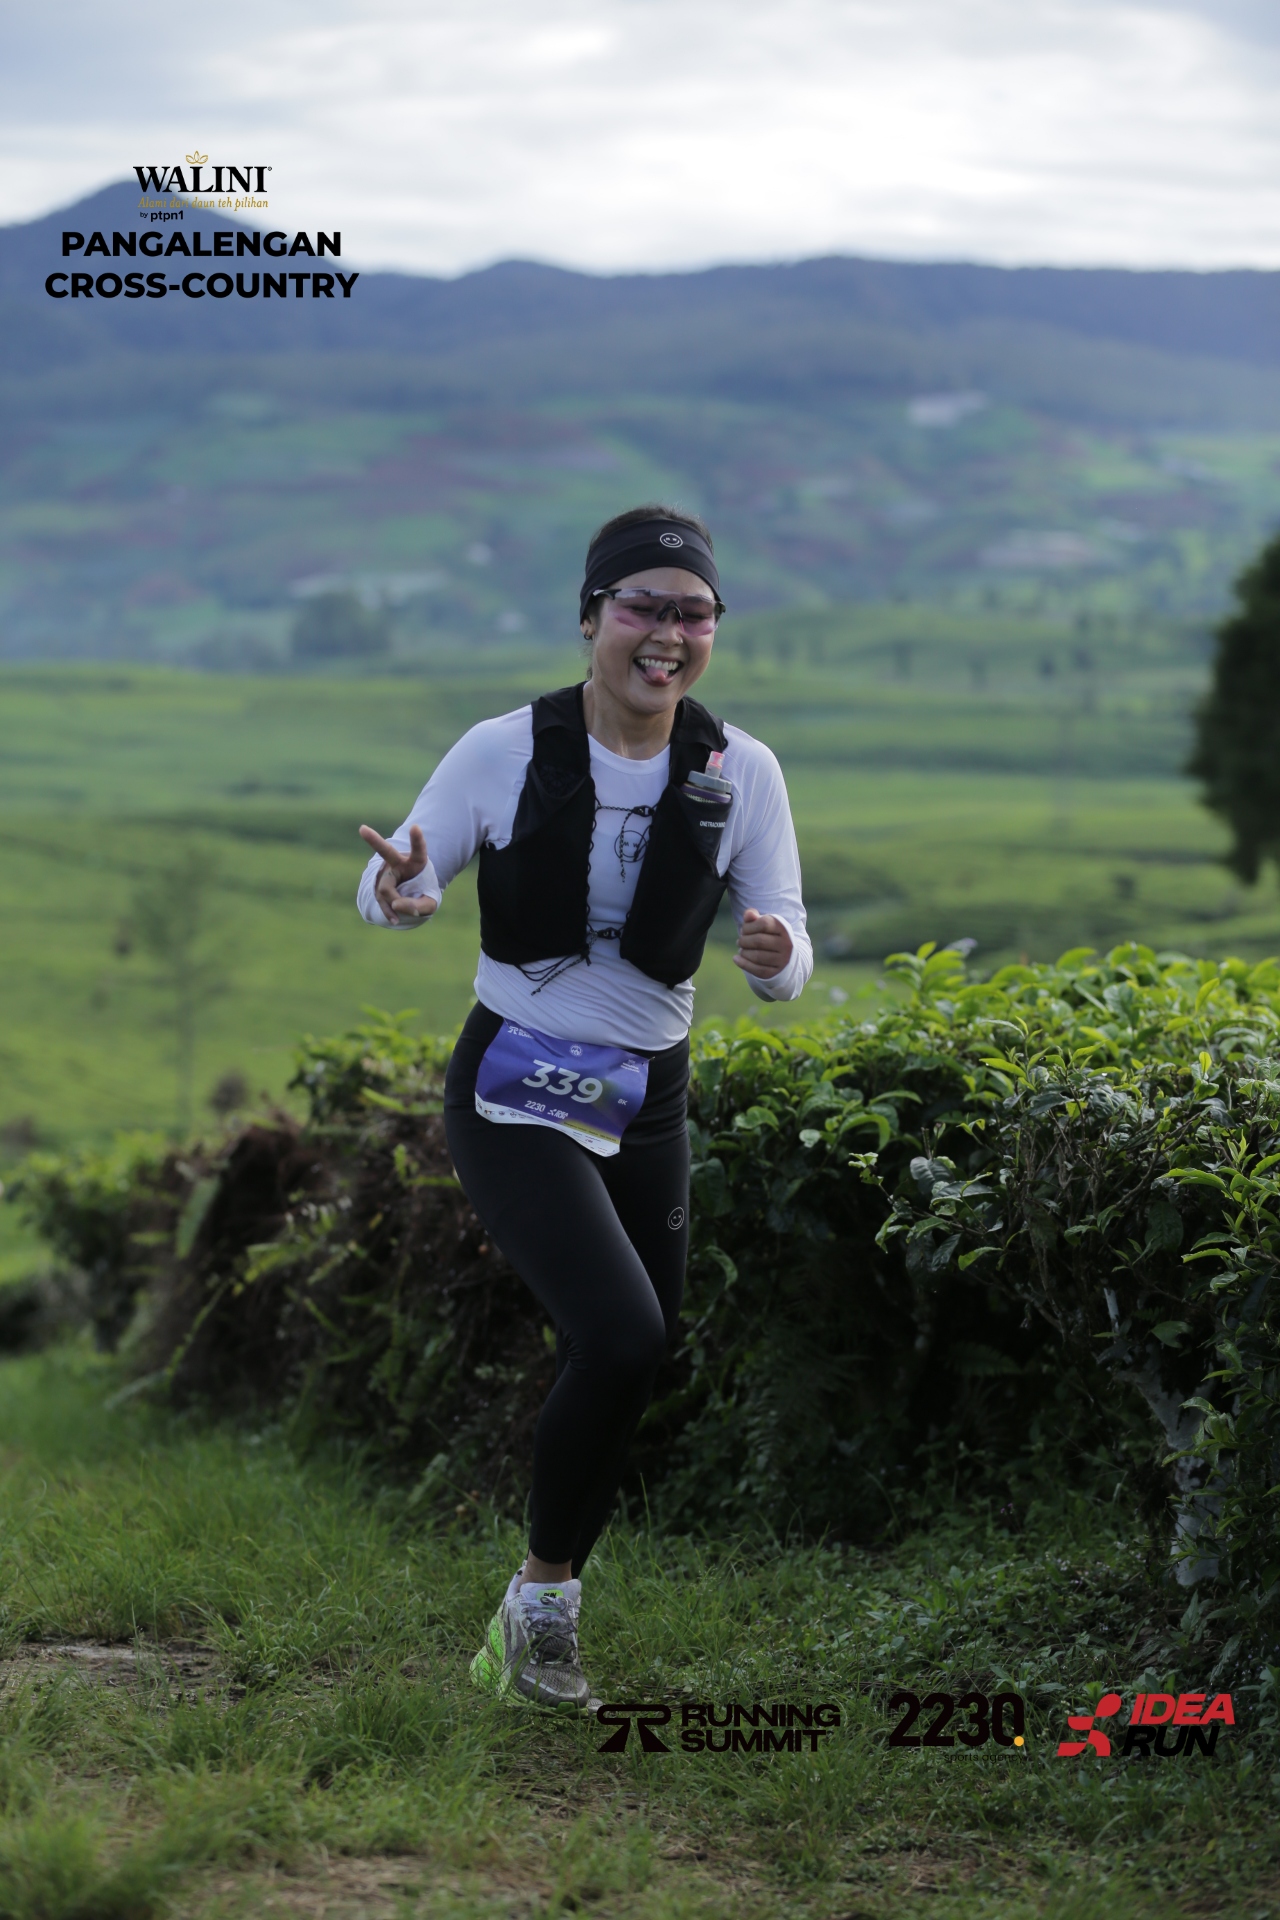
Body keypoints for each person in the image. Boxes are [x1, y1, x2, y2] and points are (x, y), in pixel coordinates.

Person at [357, 504, 812, 1711]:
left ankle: (529, 1621)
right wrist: (399, 894)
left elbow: (786, 949)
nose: (667, 634)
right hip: (514, 1081)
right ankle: (541, 1613)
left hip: (646, 1093)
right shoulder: (502, 749)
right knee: (618, 1333)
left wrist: (775, 955)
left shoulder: (739, 769)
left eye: (692, 613)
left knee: (631, 1352)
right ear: (589, 618)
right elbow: (395, 875)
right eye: (642, 608)